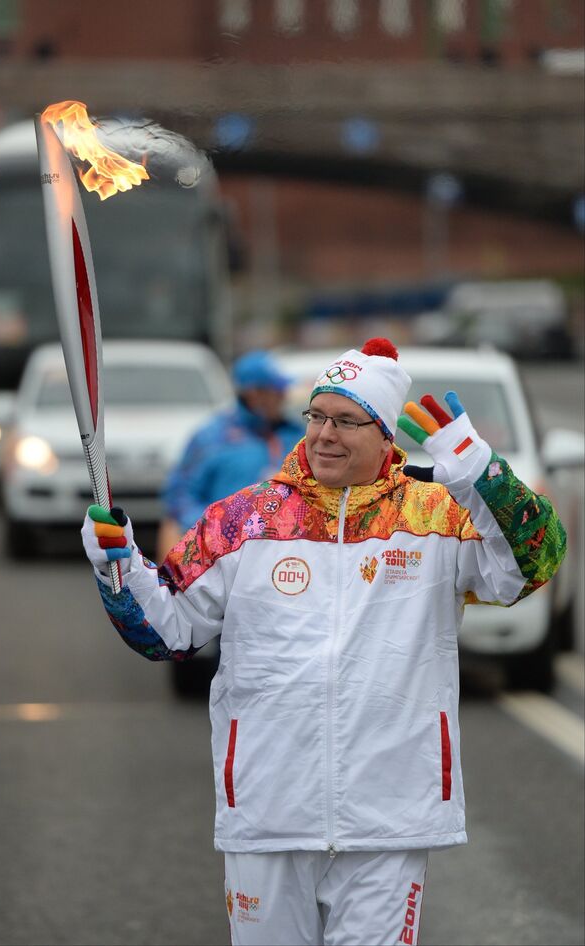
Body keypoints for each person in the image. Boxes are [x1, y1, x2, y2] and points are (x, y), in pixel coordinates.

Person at [82, 338, 566, 946]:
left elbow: (536, 563)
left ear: (385, 434)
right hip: (267, 809)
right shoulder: (244, 521)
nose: (324, 435)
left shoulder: (437, 519)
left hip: (391, 817)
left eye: (345, 420)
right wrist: (118, 568)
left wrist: (482, 475)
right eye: (316, 416)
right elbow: (166, 632)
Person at [156, 348, 304, 560]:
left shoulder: (296, 436)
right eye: (277, 390)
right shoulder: (212, 438)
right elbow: (179, 497)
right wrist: (219, 529)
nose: (284, 396)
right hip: (220, 554)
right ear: (254, 394)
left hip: (283, 552)